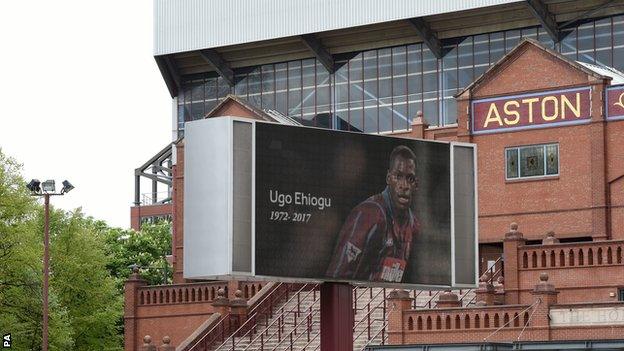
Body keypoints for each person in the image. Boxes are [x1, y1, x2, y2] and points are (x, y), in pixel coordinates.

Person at [326, 145, 420, 283]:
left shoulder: (414, 226)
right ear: (388, 178)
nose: (404, 185)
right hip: (357, 301)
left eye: (409, 179)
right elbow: (336, 277)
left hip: (390, 300)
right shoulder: (369, 215)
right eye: (398, 176)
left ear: (416, 185)